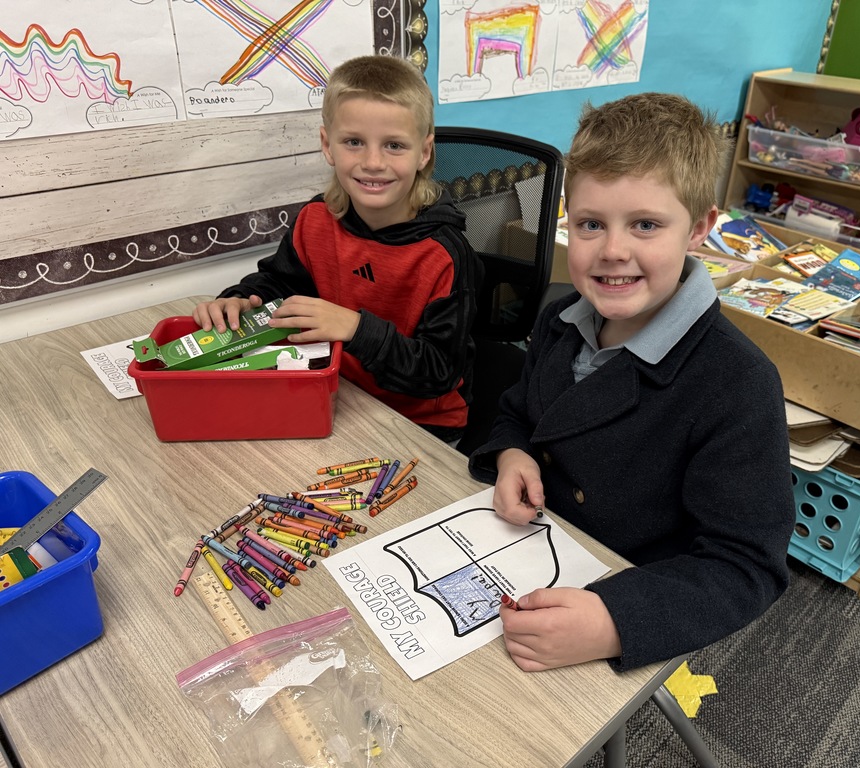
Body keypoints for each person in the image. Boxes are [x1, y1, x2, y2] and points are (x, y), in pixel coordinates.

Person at [469, 93, 795, 672]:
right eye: (591, 224)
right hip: (530, 556)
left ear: (698, 228)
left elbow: (746, 566)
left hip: (625, 592)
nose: (613, 251)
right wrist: (512, 452)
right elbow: (520, 411)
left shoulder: (738, 383)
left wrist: (614, 621)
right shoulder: (559, 317)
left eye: (645, 225)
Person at [193, 55, 480, 443]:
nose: (373, 162)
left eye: (394, 145)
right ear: (328, 145)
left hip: (422, 424)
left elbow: (438, 372)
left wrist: (356, 329)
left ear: (425, 153)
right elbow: (280, 281)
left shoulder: (444, 254)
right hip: (339, 396)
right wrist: (243, 298)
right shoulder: (315, 220)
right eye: (354, 142)